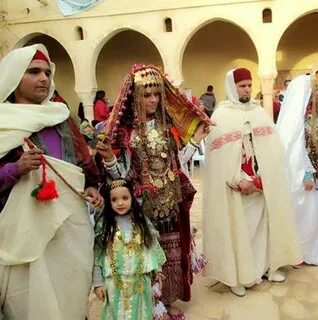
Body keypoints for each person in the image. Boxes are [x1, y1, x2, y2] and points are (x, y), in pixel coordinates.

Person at [96, 64, 210, 318]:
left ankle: (166, 302)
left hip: (169, 199)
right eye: (147, 95)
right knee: (144, 253)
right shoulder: (125, 133)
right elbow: (121, 180)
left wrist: (194, 140)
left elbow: (178, 162)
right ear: (135, 96)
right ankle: (146, 305)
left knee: (171, 252)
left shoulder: (167, 126)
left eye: (156, 94)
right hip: (141, 205)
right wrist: (109, 161)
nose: (153, 100)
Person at [0, 44, 102, 319]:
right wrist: (15, 169)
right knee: (31, 301)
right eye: (34, 72)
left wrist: (92, 187)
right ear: (14, 77)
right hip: (25, 231)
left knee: (69, 295)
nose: (44, 78)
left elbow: (86, 167)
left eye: (47, 72)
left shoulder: (62, 118)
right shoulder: (2, 122)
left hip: (71, 226)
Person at [203, 67, 301, 297]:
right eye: (242, 86)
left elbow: (273, 151)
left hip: (260, 184)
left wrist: (261, 179)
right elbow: (218, 160)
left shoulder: (259, 112)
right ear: (232, 87)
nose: (247, 89)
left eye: (249, 85)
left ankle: (267, 267)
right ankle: (237, 275)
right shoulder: (221, 116)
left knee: (264, 227)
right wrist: (237, 180)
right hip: (236, 188)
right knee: (239, 231)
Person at [277, 75, 318, 266]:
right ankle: (300, 251)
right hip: (305, 174)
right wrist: (306, 173)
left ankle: (314, 248)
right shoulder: (295, 120)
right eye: (313, 94)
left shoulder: (312, 116)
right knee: (306, 214)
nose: (317, 98)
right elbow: (295, 150)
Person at [93, 179, 166, 320]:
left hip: (140, 284)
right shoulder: (104, 226)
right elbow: (98, 255)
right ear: (109, 202)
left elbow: (152, 246)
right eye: (114, 199)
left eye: (125, 198)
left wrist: (158, 270)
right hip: (114, 285)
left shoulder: (142, 222)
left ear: (132, 198)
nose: (120, 203)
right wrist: (98, 283)